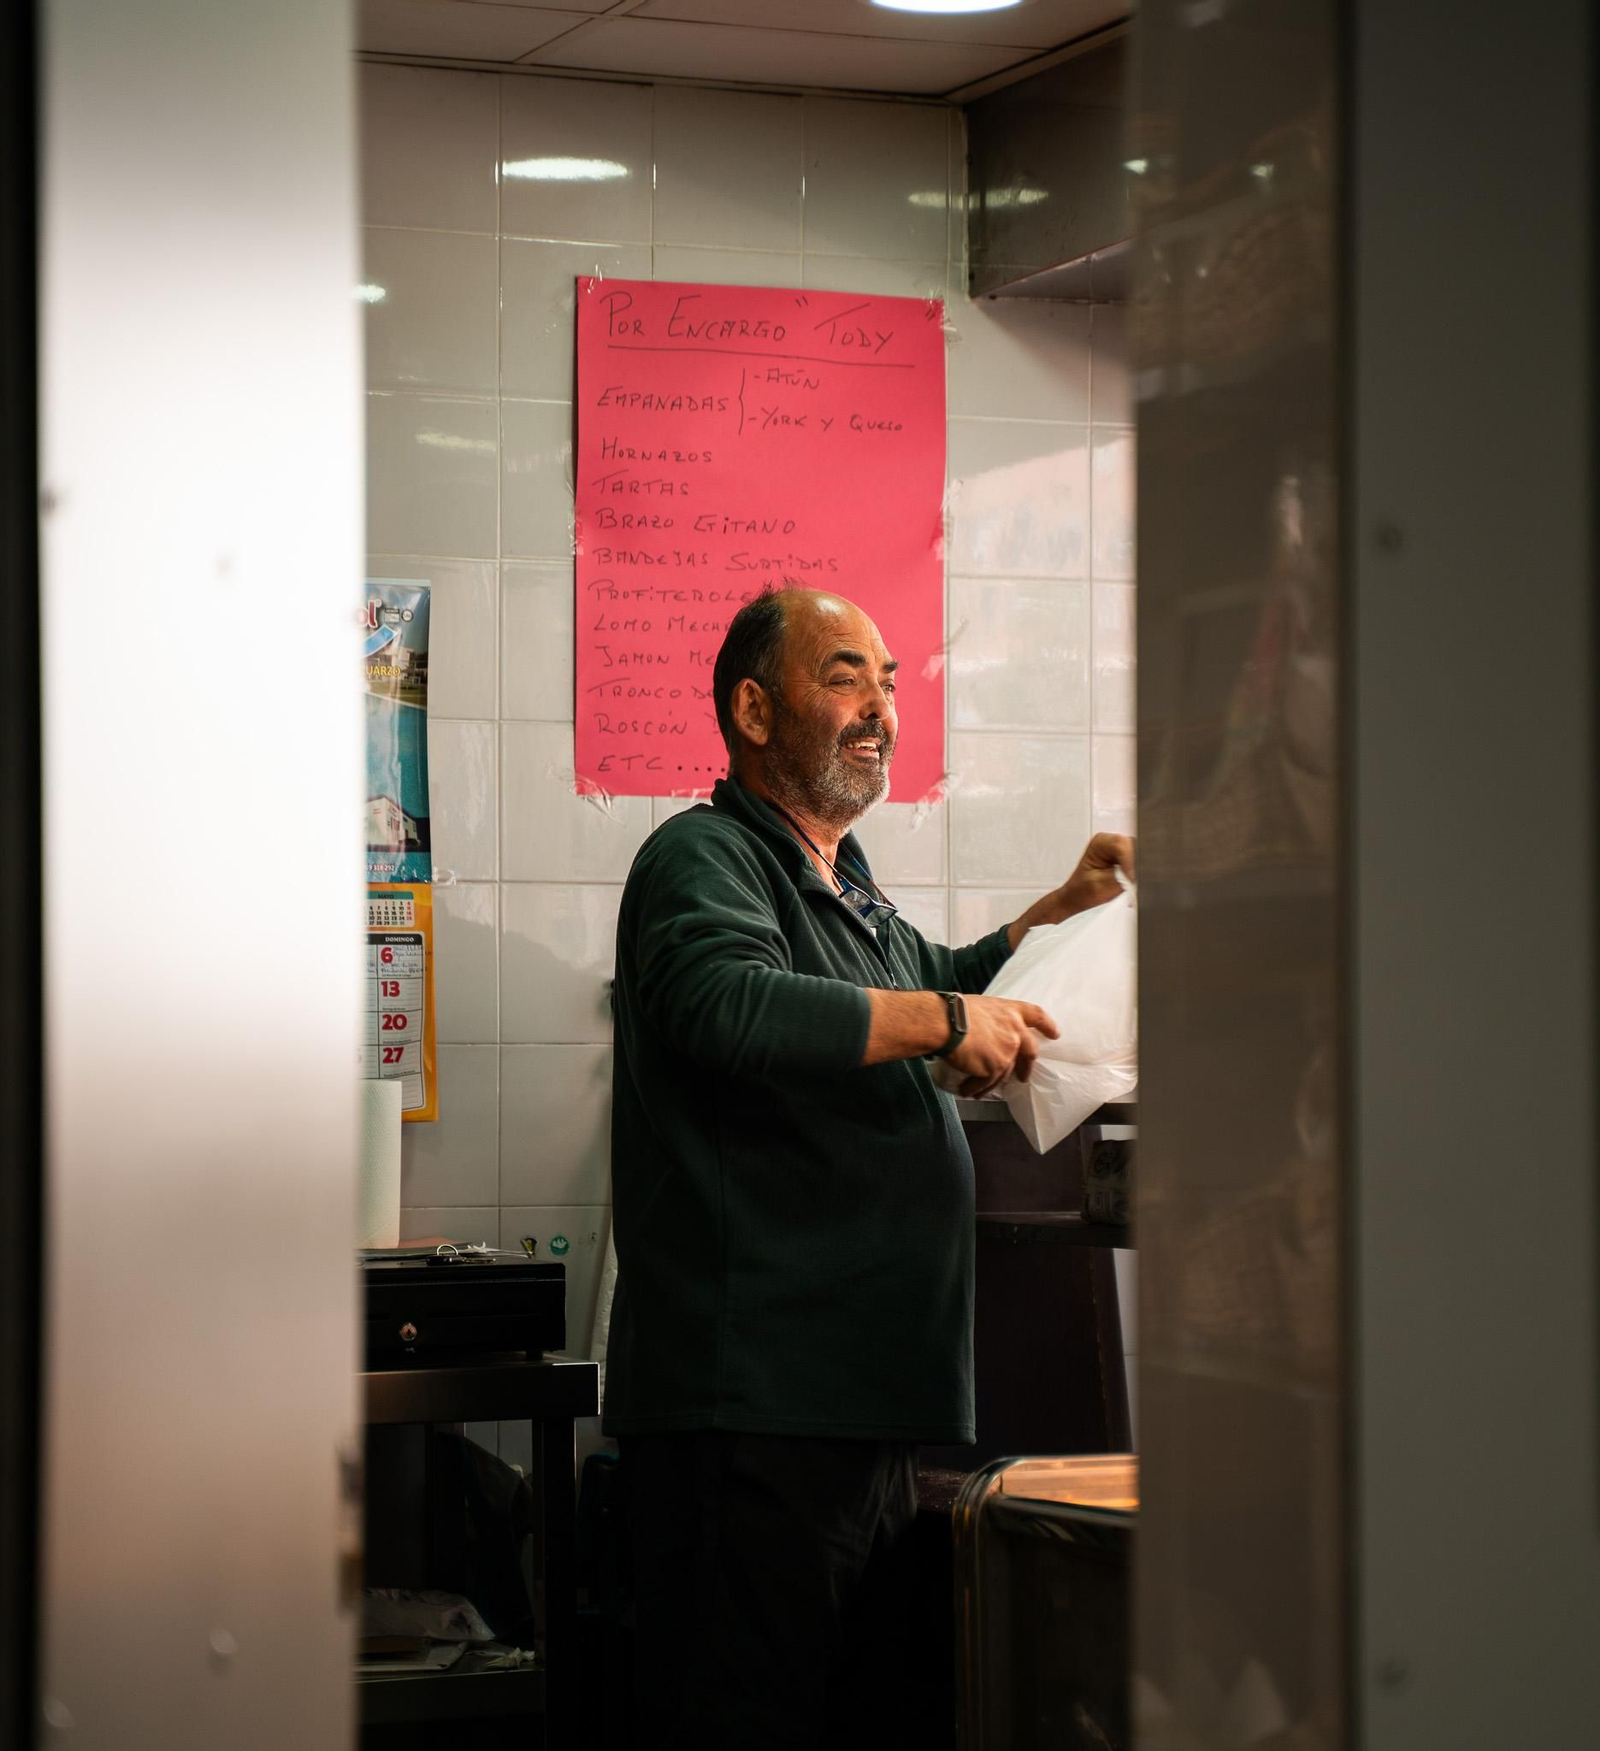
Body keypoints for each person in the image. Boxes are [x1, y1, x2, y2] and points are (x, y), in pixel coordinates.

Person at [603, 584, 1133, 1748]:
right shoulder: (705, 854)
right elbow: (722, 999)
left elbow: (939, 975)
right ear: (752, 707)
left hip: (860, 1408)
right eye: (846, 674)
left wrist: (1058, 911)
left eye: (889, 681)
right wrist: (943, 1016)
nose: (880, 707)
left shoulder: (847, 884)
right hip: (752, 1414)